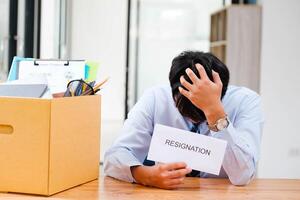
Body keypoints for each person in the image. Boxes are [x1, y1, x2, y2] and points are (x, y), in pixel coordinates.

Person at [104, 51, 264, 189]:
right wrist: (146, 175)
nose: (194, 119)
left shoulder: (246, 101)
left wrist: (215, 112)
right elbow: (114, 158)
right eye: (185, 110)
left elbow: (242, 175)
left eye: (200, 113)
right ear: (174, 94)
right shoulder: (156, 98)